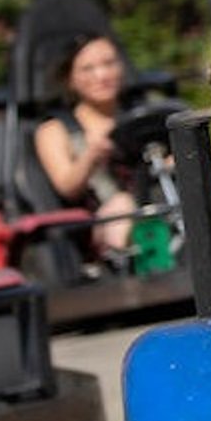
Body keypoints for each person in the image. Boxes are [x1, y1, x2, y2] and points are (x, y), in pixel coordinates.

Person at [30, 31, 155, 267]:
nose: (102, 75)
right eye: (88, 69)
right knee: (123, 206)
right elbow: (67, 187)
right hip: (99, 221)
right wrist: (91, 155)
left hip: (158, 199)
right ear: (70, 79)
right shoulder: (55, 129)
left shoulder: (145, 114)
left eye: (109, 64)